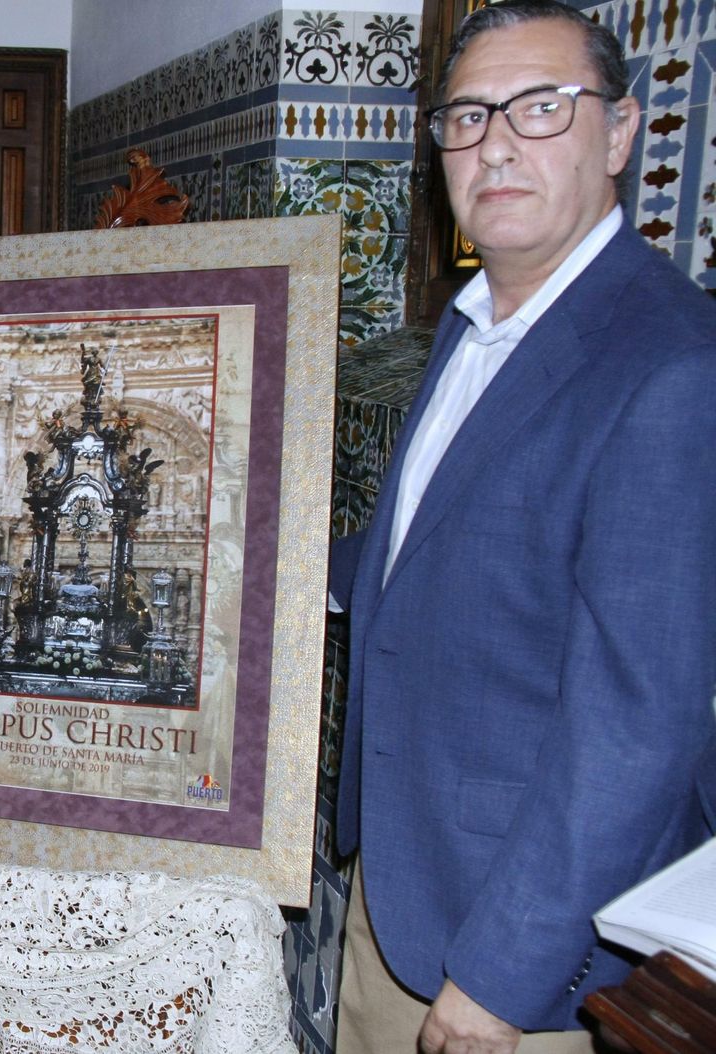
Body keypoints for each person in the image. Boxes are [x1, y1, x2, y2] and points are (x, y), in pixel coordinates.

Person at [329, 2, 716, 1051]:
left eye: (539, 108)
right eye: (466, 117)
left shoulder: (668, 366)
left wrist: (501, 976)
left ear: (621, 134)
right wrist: (247, 556)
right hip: (406, 883)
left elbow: (637, 729)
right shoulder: (477, 323)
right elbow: (436, 550)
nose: (494, 143)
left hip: (520, 950)